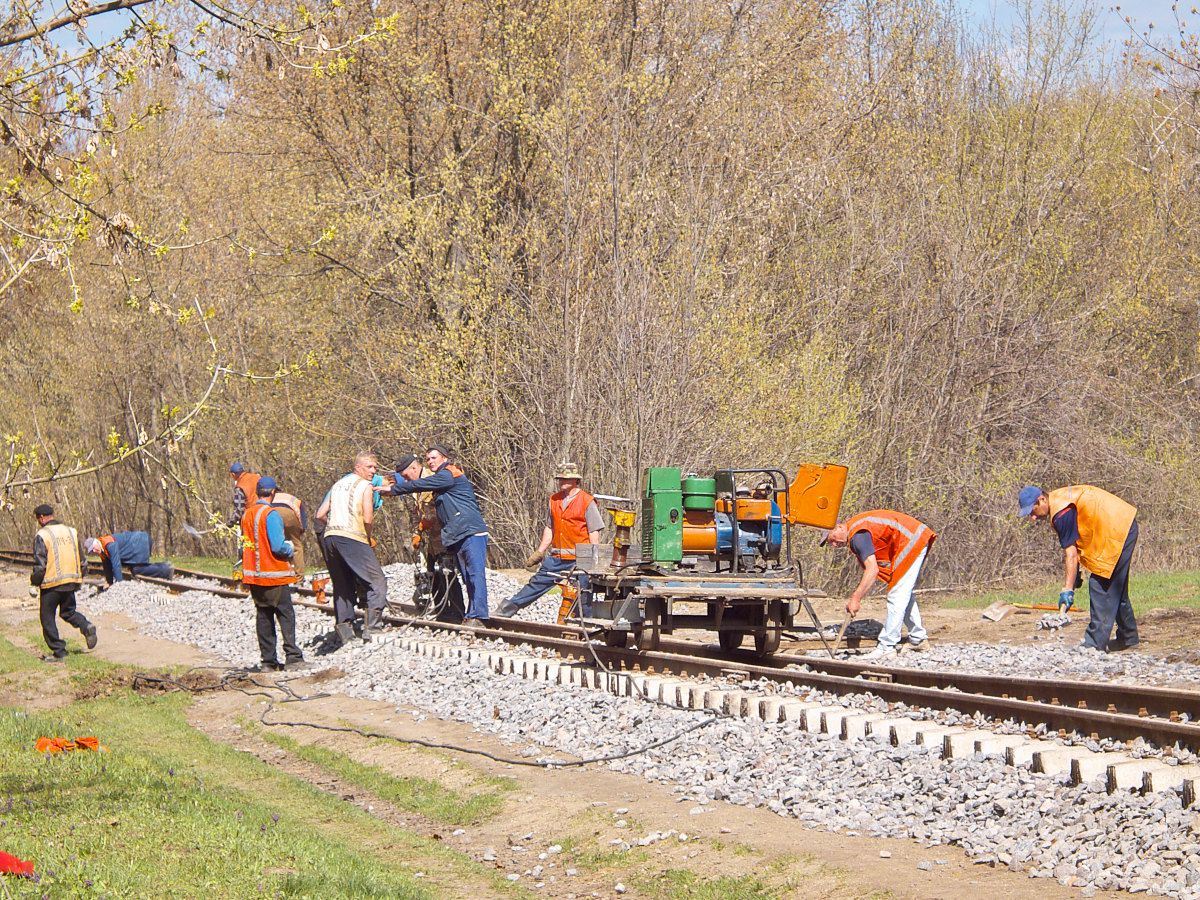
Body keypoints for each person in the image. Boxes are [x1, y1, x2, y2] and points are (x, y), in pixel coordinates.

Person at [1018, 484, 1140, 652]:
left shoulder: (1061, 512)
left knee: (1100, 585)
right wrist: (1074, 576)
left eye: (1032, 511)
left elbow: (1071, 555)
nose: (1032, 518)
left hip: (1118, 530)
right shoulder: (1060, 501)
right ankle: (1128, 638)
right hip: (1123, 523)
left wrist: (1067, 590)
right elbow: (1075, 545)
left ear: (1042, 499)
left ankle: (1094, 644)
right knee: (1115, 587)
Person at [388, 445, 490, 625]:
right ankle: (470, 614)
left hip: (470, 531)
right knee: (467, 576)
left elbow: (421, 486)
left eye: (433, 458)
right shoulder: (440, 477)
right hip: (457, 533)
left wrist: (394, 490)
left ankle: (478, 615)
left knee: (475, 574)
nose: (430, 462)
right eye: (428, 459)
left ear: (444, 458)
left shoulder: (447, 474)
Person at [821, 509, 936, 659]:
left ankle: (887, 646)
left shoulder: (857, 535)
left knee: (897, 594)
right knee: (902, 591)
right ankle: (918, 639)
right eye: (831, 543)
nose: (834, 544)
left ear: (840, 527)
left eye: (833, 539)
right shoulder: (856, 530)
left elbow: (872, 569)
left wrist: (856, 598)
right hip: (913, 537)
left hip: (911, 539)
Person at [494, 462, 602, 618]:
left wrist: (594, 558)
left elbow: (593, 531)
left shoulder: (587, 501)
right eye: (560, 479)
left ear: (575, 481)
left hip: (580, 559)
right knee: (536, 584)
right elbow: (550, 528)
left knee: (583, 595)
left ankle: (585, 626)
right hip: (557, 557)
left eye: (566, 479)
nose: (562, 482)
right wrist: (539, 552)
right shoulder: (554, 500)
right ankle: (506, 609)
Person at [316, 452, 389, 643]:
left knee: (342, 584)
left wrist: (334, 524)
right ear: (358, 467)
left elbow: (320, 514)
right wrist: (368, 536)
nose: (373, 471)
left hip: (330, 536)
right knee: (376, 580)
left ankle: (345, 630)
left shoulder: (338, 484)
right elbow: (367, 517)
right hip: (352, 536)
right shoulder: (365, 486)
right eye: (369, 467)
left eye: (375, 467)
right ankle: (372, 627)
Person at [241, 477, 307, 671]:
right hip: (274, 574)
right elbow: (278, 546)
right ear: (272, 493)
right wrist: (289, 549)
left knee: (263, 615)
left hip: (254, 575)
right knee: (286, 614)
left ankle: (268, 661)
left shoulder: (247, 515)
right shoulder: (271, 515)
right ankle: (293, 657)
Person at [391, 453, 465, 623]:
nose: (406, 480)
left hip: (444, 536)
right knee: (434, 575)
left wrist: (420, 529)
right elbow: (419, 513)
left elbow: (434, 512)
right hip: (432, 541)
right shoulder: (416, 486)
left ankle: (457, 613)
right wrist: (416, 532)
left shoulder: (432, 479)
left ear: (414, 468)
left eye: (406, 475)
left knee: (447, 574)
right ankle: (442, 612)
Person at [30, 504, 97, 662]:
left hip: (51, 583)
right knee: (68, 612)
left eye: (38, 519)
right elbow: (83, 561)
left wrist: (34, 583)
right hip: (71, 581)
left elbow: (40, 565)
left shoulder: (42, 534)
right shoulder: (71, 531)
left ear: (41, 518)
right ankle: (86, 626)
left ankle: (59, 652)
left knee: (47, 618)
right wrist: (80, 578)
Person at [84, 531, 173, 584]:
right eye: (92, 551)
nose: (94, 551)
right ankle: (165, 567)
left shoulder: (109, 544)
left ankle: (166, 570)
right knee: (136, 569)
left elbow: (116, 564)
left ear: (96, 542)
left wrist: (119, 584)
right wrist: (109, 582)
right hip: (137, 544)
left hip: (140, 542)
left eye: (93, 549)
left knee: (137, 569)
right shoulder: (102, 548)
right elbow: (107, 565)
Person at [270, 484, 308, 574]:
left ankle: (278, 572)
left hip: (273, 511)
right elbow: (302, 520)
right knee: (296, 546)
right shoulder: (292, 498)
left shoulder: (268, 498)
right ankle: (299, 576)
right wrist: (300, 531)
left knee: (274, 544)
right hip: (290, 514)